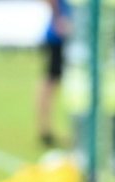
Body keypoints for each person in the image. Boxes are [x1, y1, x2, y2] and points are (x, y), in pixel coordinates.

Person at [38, 0, 71, 149]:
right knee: (50, 82)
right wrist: (59, 18)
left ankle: (51, 130)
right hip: (59, 36)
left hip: (72, 35)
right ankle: (45, 130)